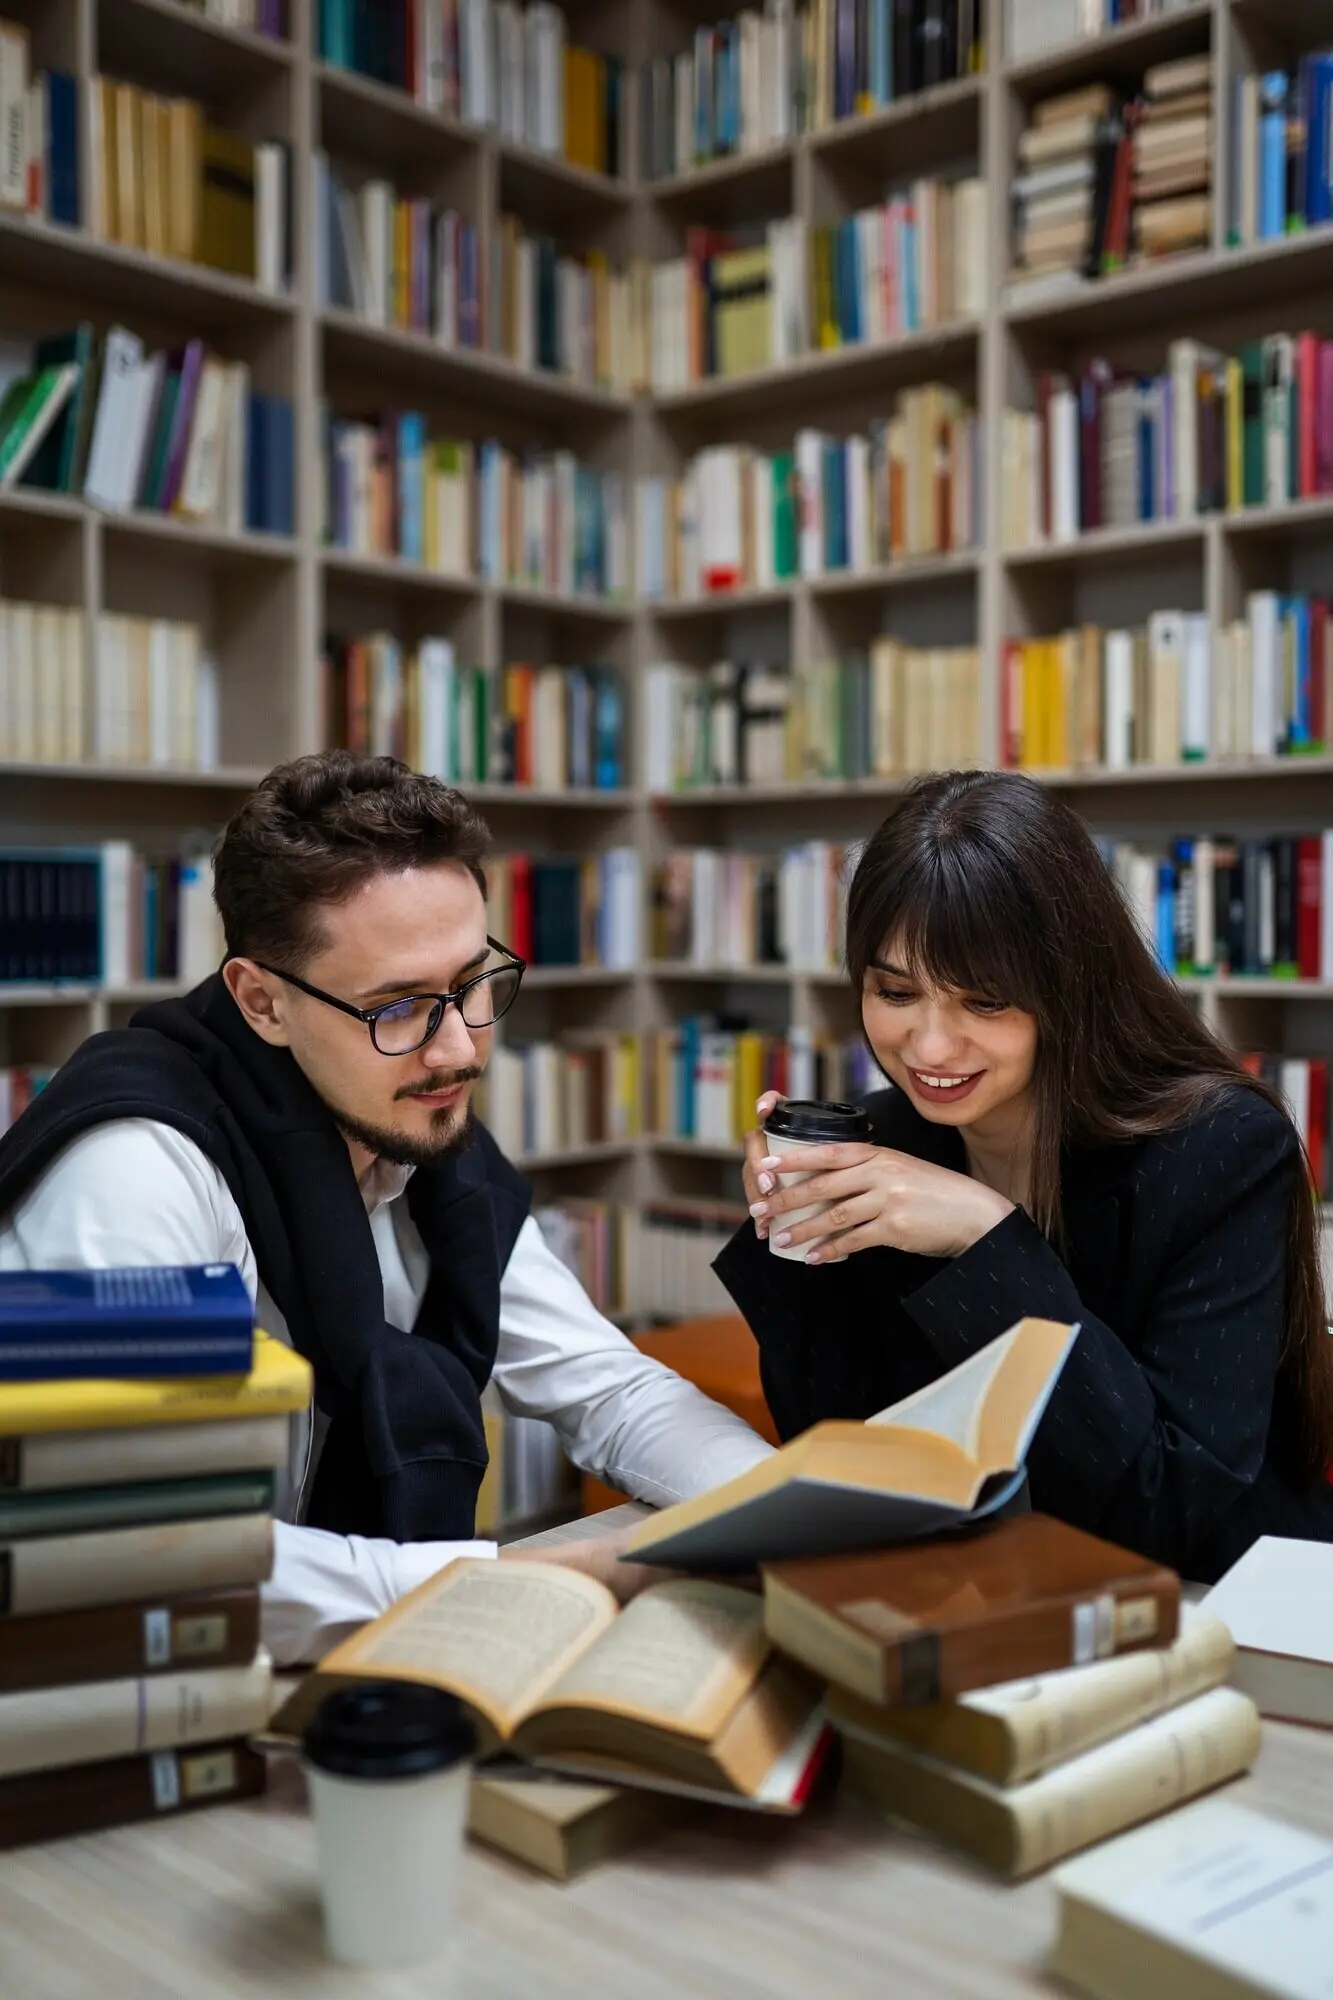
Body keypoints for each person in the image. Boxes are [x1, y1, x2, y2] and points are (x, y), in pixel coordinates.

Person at [0, 753, 773, 1662]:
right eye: (398, 1007)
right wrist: (541, 1577)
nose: (459, 1050)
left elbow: (611, 1389)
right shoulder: (139, 1171)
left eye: (472, 983)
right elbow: (149, 1550)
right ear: (263, 1002)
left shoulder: (423, 1140)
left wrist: (781, 1510)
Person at [725, 769, 1333, 1581]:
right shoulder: (895, 1134)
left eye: (984, 1002)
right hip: (980, 1588)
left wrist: (984, 1238)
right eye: (895, 991)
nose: (929, 1048)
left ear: (1069, 987)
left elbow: (1167, 1507)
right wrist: (797, 1241)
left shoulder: (1221, 1149)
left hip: (1211, 1600)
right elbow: (843, 1452)